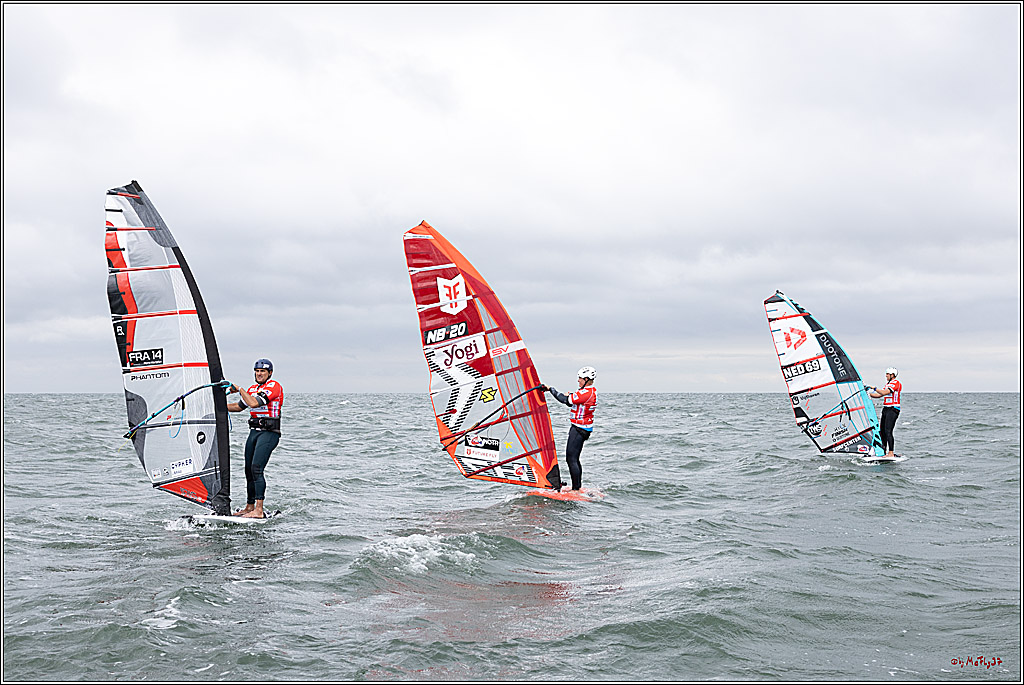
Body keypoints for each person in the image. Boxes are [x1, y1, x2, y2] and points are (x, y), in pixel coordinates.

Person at [226, 358, 284, 518]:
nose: (259, 374)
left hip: (269, 433)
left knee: (257, 468)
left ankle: (259, 510)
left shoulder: (274, 387)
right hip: (254, 433)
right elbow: (238, 407)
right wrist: (215, 405)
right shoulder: (253, 388)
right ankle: (249, 507)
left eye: (262, 371)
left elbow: (253, 403)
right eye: (257, 371)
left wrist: (239, 389)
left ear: (269, 373)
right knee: (248, 470)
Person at [542, 366, 598, 492]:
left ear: (586, 379)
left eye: (580, 378)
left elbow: (564, 400)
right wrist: (570, 397)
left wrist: (551, 389)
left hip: (579, 429)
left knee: (571, 458)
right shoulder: (591, 391)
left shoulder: (586, 393)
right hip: (583, 428)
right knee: (574, 458)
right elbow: (571, 402)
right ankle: (576, 487)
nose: (578, 380)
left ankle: (576, 489)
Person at [868, 367, 902, 457]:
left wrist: (874, 388)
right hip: (886, 409)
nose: (886, 376)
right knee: (882, 431)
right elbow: (879, 395)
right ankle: (883, 451)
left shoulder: (896, 383)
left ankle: (891, 453)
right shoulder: (888, 384)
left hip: (893, 409)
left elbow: (884, 392)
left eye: (887, 374)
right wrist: (868, 394)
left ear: (892, 375)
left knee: (888, 431)